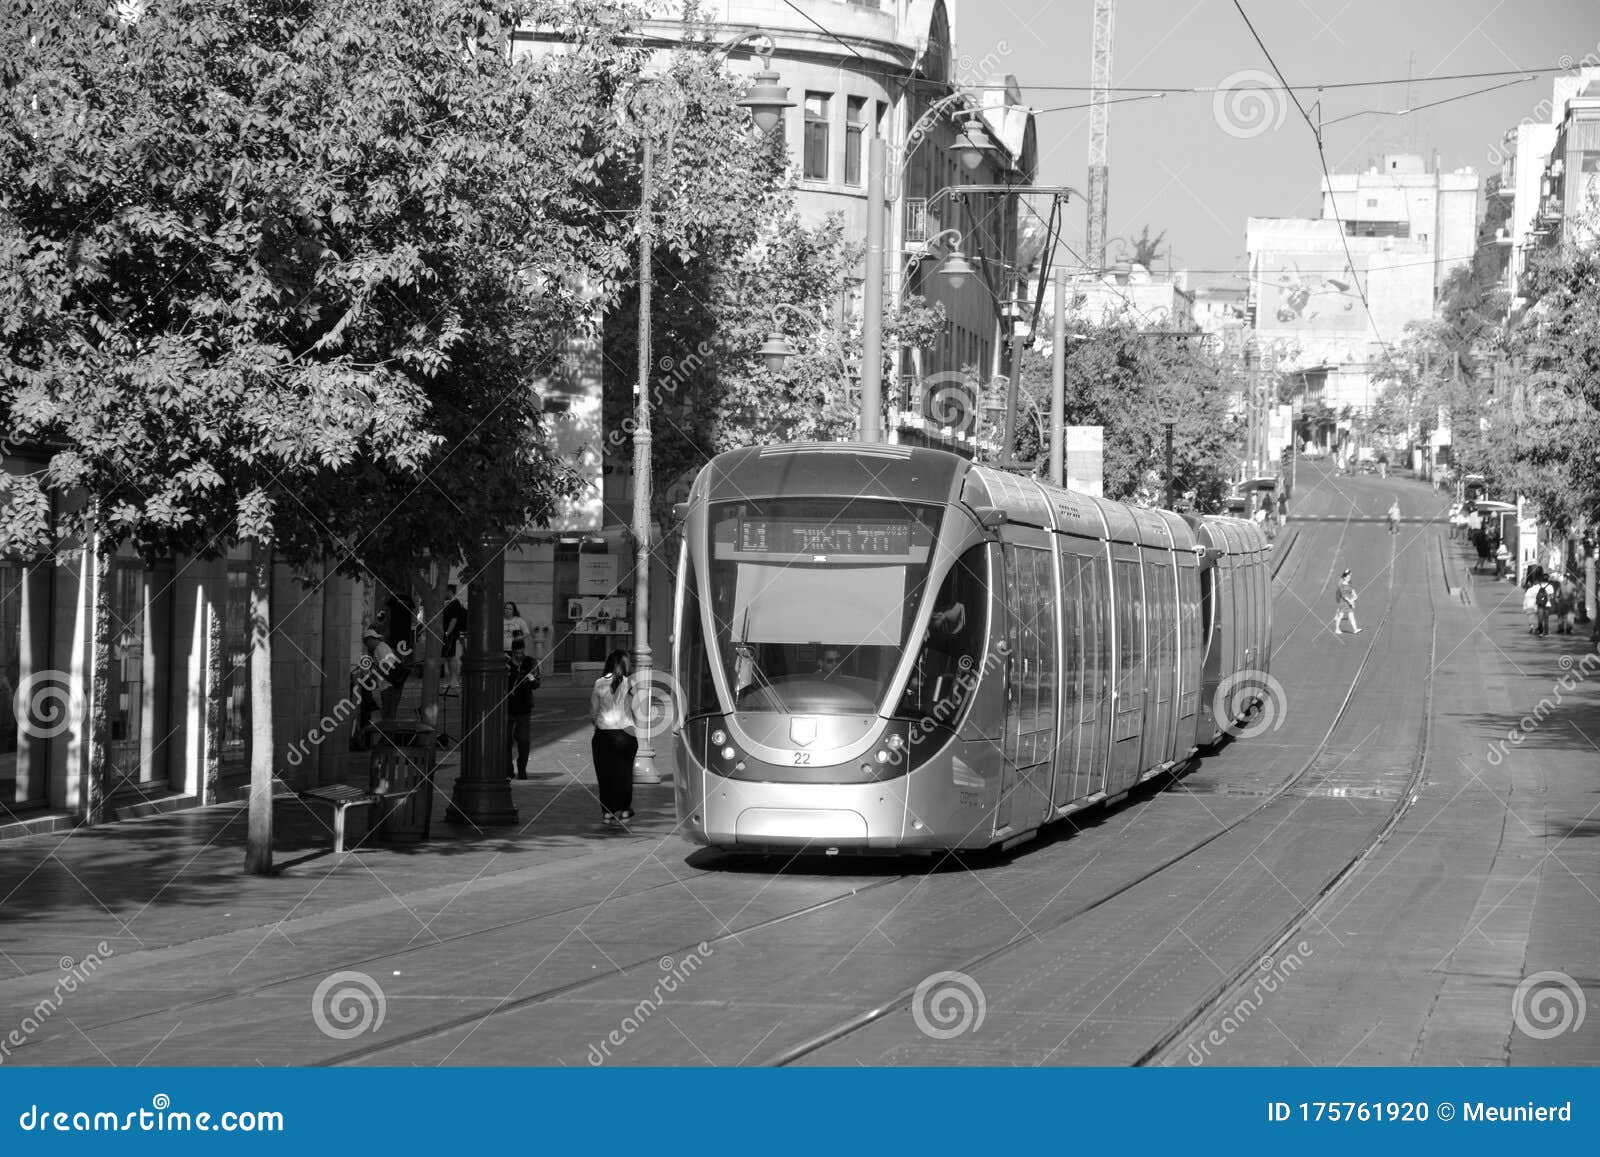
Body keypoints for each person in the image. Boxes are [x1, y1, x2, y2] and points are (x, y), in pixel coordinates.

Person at [590, 649, 638, 826]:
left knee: (605, 775)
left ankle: (608, 812)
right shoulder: (630, 683)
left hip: (604, 735)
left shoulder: (599, 683)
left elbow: (593, 712)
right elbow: (637, 709)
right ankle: (624, 808)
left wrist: (598, 724)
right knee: (624, 773)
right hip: (626, 734)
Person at [505, 638, 539, 779]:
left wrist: (531, 679)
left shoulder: (530, 662)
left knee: (524, 740)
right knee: (506, 740)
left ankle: (522, 769)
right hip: (508, 706)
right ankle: (508, 769)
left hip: (524, 707)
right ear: (512, 652)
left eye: (521, 652)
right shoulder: (506, 663)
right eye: (516, 653)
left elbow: (536, 684)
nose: (519, 655)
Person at [362, 626, 407, 720]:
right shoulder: (381, 647)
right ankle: (388, 733)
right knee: (389, 713)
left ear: (371, 640)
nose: (367, 646)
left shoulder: (379, 648)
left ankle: (387, 734)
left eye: (367, 643)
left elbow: (387, 666)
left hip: (389, 686)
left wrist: (374, 671)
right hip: (390, 685)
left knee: (388, 715)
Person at [441, 584, 466, 693]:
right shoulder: (449, 603)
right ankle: (449, 680)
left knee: (450, 656)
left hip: (450, 634)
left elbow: (454, 620)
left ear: (449, 591)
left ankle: (454, 680)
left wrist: (448, 632)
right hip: (447, 634)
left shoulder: (455, 603)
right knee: (447, 656)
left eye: (445, 591)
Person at [1332, 570, 1361, 635]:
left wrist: (1355, 597)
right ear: (1344, 577)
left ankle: (1355, 629)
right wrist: (1350, 601)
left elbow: (1353, 592)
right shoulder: (1342, 585)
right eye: (1348, 576)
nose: (1349, 577)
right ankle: (1337, 629)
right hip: (1344, 603)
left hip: (1349, 603)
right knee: (1341, 615)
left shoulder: (1349, 584)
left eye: (1350, 576)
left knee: (1351, 615)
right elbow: (1344, 596)